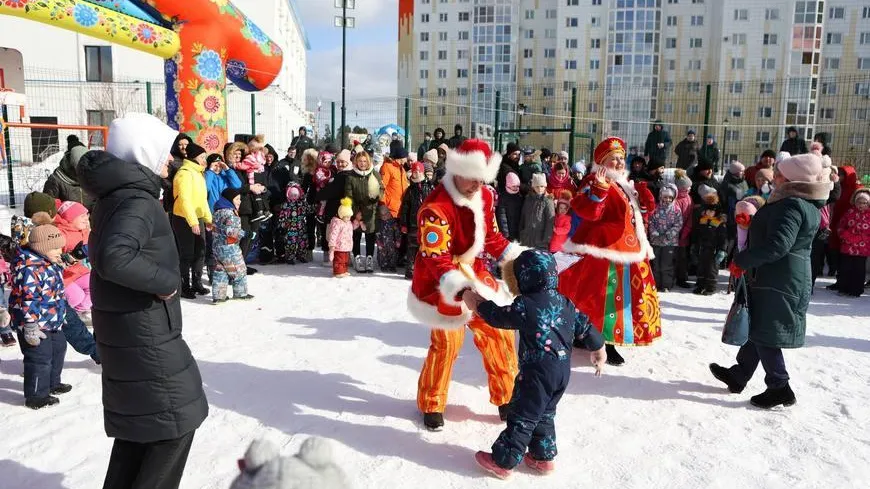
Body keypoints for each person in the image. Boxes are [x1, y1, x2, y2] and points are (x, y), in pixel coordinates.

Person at [77, 113, 208, 488]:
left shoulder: (123, 196)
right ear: (144, 153)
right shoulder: (136, 200)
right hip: (142, 333)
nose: (171, 160)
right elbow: (114, 257)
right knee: (173, 425)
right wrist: (167, 282)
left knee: (142, 433)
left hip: (135, 331)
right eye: (165, 152)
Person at [408, 138, 527, 432]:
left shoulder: (484, 196)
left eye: (482, 179)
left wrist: (518, 262)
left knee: (498, 332)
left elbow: (492, 237)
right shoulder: (435, 207)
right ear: (457, 170)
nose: (477, 185)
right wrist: (463, 291)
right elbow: (436, 258)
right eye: (472, 179)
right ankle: (432, 402)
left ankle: (507, 396)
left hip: (473, 270)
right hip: (443, 279)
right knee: (448, 342)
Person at [463, 250, 605, 479]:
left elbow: (499, 316)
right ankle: (542, 457)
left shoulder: (526, 305)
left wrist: (476, 302)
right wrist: (599, 348)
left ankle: (503, 461)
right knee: (545, 413)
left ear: (524, 278)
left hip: (536, 374)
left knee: (523, 416)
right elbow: (586, 327)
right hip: (561, 373)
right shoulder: (565, 303)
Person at [711, 150, 831, 409]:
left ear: (791, 180)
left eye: (780, 173)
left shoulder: (792, 204)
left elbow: (778, 245)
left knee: (767, 333)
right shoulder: (799, 202)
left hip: (781, 280)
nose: (774, 176)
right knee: (761, 327)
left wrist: (742, 260)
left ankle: (779, 387)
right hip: (780, 277)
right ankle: (739, 374)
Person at [558, 137, 662, 366]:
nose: (619, 162)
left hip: (627, 249)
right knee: (603, 298)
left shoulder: (623, 183)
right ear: (602, 161)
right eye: (613, 158)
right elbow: (589, 211)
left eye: (621, 158)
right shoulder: (594, 181)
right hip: (603, 251)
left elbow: (634, 217)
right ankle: (601, 340)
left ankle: (602, 337)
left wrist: (644, 199)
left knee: (616, 299)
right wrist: (599, 190)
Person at [10, 213, 69, 410]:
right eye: (54, 248)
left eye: (60, 246)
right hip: (33, 323)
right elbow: (28, 299)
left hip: (52, 319)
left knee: (58, 349)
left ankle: (52, 383)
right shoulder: (29, 268)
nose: (59, 251)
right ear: (41, 248)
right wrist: (30, 325)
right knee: (39, 358)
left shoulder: (49, 262)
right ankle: (36, 395)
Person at [171, 142, 212, 299]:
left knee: (200, 251)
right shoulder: (185, 173)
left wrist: (208, 219)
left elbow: (202, 200)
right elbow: (184, 199)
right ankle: (184, 285)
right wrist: (193, 222)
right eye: (202, 157)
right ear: (195, 157)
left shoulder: (199, 173)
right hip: (184, 218)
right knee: (187, 253)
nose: (204, 160)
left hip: (198, 217)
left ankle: (197, 282)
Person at [345, 150, 384, 273]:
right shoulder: (351, 176)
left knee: (370, 236)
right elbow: (348, 195)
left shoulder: (375, 174)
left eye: (365, 161)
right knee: (356, 236)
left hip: (371, 211)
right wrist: (355, 212)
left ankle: (369, 258)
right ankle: (357, 257)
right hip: (356, 211)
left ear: (368, 162)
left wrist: (377, 196)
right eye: (360, 161)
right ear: (356, 162)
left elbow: (381, 189)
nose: (362, 163)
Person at [211, 187, 252, 303]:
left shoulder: (217, 211)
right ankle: (240, 293)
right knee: (240, 270)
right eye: (237, 199)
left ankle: (219, 296)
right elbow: (230, 231)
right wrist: (244, 233)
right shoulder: (230, 213)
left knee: (221, 271)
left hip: (217, 247)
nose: (240, 201)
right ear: (230, 199)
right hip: (230, 248)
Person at [54, 201, 92, 323]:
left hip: (78, 271)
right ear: (71, 217)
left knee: (96, 285)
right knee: (77, 296)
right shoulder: (60, 233)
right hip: (63, 275)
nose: (86, 220)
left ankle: (77, 313)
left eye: (87, 216)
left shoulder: (84, 231)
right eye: (82, 217)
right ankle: (64, 314)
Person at [316, 149, 355, 266]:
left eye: (343, 162)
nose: (340, 164)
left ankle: (335, 259)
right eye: (338, 162)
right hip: (339, 210)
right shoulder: (340, 174)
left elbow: (331, 191)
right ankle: (342, 259)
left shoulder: (343, 176)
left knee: (333, 236)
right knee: (340, 236)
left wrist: (318, 195)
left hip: (337, 211)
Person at [399, 161, 434, 279]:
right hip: (413, 223)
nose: (417, 173)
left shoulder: (429, 186)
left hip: (427, 223)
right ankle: (410, 270)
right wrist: (404, 223)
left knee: (425, 247)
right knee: (412, 247)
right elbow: (404, 208)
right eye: (414, 171)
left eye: (419, 171)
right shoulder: (410, 190)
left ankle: (424, 270)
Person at [835, 188, 870, 297]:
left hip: (862, 248)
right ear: (855, 202)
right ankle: (844, 289)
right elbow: (841, 226)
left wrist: (861, 238)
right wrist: (847, 237)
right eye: (859, 202)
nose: (861, 205)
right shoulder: (849, 212)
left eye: (865, 203)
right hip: (848, 246)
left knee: (859, 270)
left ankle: (856, 290)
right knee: (845, 268)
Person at [692, 186, 727, 295]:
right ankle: (700, 284)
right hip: (702, 248)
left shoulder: (719, 223)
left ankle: (710, 287)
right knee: (701, 267)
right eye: (707, 210)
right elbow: (697, 234)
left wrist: (722, 250)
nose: (709, 212)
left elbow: (723, 238)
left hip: (714, 250)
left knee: (712, 269)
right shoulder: (702, 220)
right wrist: (695, 245)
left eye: (711, 211)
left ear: (716, 211)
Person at [43, 134, 95, 209]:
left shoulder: (94, 175)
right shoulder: (56, 180)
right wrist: (66, 219)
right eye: (81, 169)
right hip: (67, 220)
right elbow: (48, 210)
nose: (85, 173)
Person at [648, 184, 683, 292]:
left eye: (669, 197)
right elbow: (651, 221)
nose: (667, 199)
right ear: (661, 197)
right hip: (656, 241)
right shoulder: (656, 208)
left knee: (666, 264)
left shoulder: (676, 210)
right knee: (656, 264)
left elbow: (678, 224)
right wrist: (654, 232)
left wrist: (669, 234)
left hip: (670, 242)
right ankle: (656, 284)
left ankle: (666, 285)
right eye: (665, 197)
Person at [235, 135, 273, 223]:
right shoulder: (261, 157)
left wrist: (237, 165)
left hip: (252, 177)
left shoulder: (250, 157)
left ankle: (260, 212)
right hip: (259, 176)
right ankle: (265, 210)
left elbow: (243, 166)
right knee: (259, 194)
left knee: (255, 194)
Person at [519, 173, 554, 251]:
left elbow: (550, 221)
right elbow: (523, 216)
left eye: (542, 186)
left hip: (540, 240)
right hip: (526, 238)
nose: (539, 189)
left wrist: (546, 239)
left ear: (545, 186)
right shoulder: (528, 199)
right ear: (533, 186)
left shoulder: (548, 201)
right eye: (537, 186)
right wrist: (521, 232)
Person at [277, 182, 310, 265]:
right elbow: (282, 215)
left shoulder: (302, 203)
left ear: (299, 195)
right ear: (288, 195)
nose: (294, 197)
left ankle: (301, 255)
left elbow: (309, 210)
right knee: (291, 242)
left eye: (296, 195)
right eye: (292, 195)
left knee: (303, 241)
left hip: (301, 226)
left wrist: (310, 206)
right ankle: (290, 257)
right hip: (291, 227)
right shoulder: (286, 204)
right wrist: (282, 223)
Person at [327, 197, 357, 278]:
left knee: (345, 260)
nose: (348, 218)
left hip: (346, 246)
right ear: (341, 215)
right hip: (339, 246)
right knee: (339, 260)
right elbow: (333, 234)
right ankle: (338, 272)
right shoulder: (337, 223)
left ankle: (344, 270)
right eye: (347, 217)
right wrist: (332, 246)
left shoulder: (348, 222)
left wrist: (357, 223)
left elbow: (351, 229)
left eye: (350, 216)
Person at [496, 172, 523, 241]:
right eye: (514, 186)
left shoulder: (519, 195)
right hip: (509, 229)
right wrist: (505, 232)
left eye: (517, 186)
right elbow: (502, 216)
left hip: (518, 227)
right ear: (508, 185)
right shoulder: (503, 197)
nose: (516, 188)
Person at [376, 204, 401, 273]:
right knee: (382, 255)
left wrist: (398, 241)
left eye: (385, 214)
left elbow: (397, 232)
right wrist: (379, 242)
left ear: (389, 213)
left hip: (392, 243)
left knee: (393, 254)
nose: (384, 217)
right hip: (382, 243)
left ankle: (392, 266)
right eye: (382, 215)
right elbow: (377, 233)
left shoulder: (393, 222)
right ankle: (383, 265)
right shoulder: (379, 223)